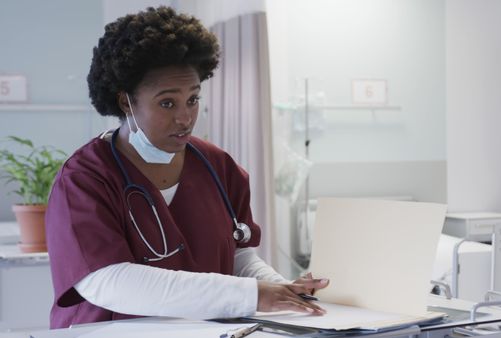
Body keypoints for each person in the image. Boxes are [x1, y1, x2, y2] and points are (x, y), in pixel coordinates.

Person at [45, 6, 328, 329]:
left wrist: (283, 290)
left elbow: (238, 256)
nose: (185, 117)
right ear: (126, 102)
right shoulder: (85, 178)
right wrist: (252, 294)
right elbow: (107, 281)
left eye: (192, 99)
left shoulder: (217, 166)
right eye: (167, 103)